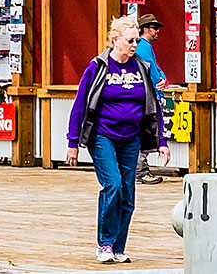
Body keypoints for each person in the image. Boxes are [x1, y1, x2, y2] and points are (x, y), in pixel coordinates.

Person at [67, 14, 166, 264]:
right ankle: (105, 243)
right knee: (113, 186)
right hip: (103, 136)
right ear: (115, 40)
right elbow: (80, 105)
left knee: (128, 193)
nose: (134, 45)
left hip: (131, 137)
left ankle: (119, 246)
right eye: (130, 40)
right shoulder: (99, 66)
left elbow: (154, 106)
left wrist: (161, 141)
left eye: (136, 40)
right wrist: (73, 143)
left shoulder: (141, 67)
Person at [133, 15, 177, 184]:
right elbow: (149, 71)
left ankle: (139, 170)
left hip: (149, 95)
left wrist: (162, 79)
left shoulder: (145, 46)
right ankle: (140, 171)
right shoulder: (142, 46)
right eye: (155, 27)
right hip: (148, 97)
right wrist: (156, 94)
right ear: (146, 29)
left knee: (146, 132)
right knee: (145, 132)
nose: (158, 31)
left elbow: (155, 69)